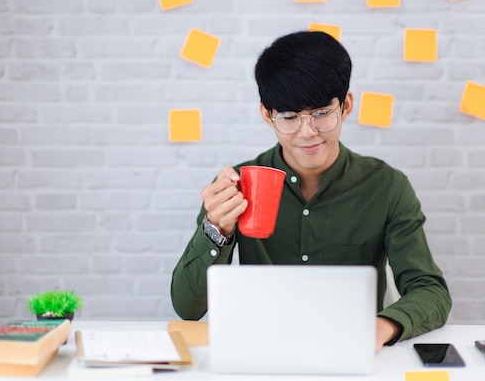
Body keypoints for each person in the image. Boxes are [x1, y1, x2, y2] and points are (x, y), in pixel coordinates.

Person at [170, 30, 452, 350]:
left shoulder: (387, 186)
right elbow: (187, 309)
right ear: (267, 114)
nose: (307, 132)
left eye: (321, 113)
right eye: (289, 117)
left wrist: (379, 328)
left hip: (350, 348)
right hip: (262, 348)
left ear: (345, 105)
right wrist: (216, 229)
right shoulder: (235, 186)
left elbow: (430, 290)